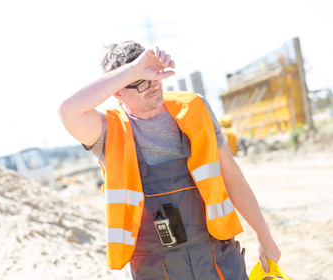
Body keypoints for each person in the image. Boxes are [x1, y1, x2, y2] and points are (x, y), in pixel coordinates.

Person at [58, 41, 281, 279]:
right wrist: (133, 70)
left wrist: (264, 236)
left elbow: (232, 177)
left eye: (154, 74)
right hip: (155, 269)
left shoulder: (195, 109)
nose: (153, 84)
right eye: (140, 81)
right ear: (117, 90)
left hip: (217, 258)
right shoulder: (108, 131)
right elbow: (68, 110)